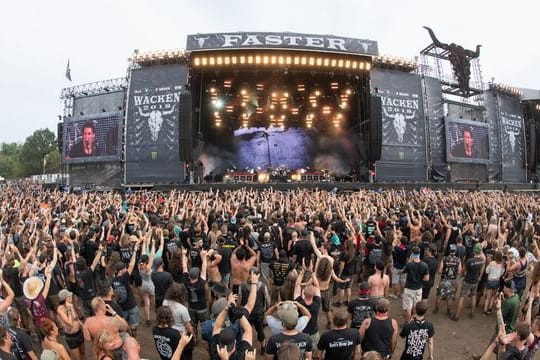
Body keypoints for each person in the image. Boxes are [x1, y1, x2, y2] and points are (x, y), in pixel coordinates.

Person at [451, 243, 485, 321]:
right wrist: (479, 277)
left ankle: (457, 316)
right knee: (473, 296)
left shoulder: (469, 261)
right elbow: (481, 270)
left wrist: (462, 275)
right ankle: (472, 314)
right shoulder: (482, 260)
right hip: (475, 281)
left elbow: (463, 270)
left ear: (474, 251)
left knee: (462, 297)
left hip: (467, 281)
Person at [55, 289, 85, 360]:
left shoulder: (70, 305)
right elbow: (70, 323)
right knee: (78, 358)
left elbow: (76, 318)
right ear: (65, 298)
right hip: (71, 337)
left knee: (83, 352)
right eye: (69, 296)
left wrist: (83, 326)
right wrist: (69, 309)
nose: (71, 297)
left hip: (79, 332)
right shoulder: (60, 309)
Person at [402, 247, 429, 322]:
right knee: (416, 306)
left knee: (408, 307)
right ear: (419, 254)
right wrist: (420, 279)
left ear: (412, 254)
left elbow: (403, 271)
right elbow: (427, 278)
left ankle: (408, 322)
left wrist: (410, 261)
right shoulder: (424, 265)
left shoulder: (409, 264)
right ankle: (414, 321)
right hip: (418, 288)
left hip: (409, 288)